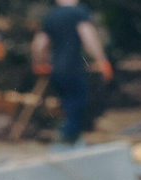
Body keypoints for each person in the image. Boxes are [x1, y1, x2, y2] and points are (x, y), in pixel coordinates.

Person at [31, 0, 110, 148]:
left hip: (56, 71)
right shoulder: (78, 12)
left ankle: (68, 142)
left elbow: (39, 44)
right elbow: (88, 38)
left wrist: (39, 63)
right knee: (77, 108)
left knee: (67, 108)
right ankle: (64, 145)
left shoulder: (51, 16)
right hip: (73, 69)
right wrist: (101, 60)